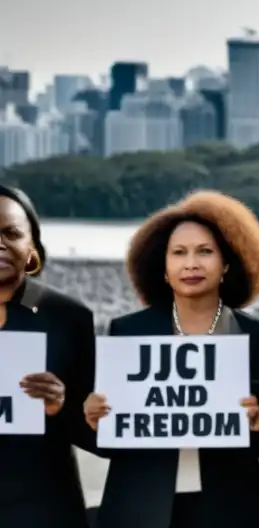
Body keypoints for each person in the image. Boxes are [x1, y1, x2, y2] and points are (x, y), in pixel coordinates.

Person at [83, 190, 259, 528]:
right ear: (163, 268)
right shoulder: (128, 332)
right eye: (178, 253)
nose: (191, 263)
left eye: (204, 252)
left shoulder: (258, 337)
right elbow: (109, 442)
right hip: (139, 504)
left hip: (231, 507)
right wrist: (93, 418)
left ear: (226, 263)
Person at [0, 184, 95, 528]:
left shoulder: (68, 317)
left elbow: (102, 435)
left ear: (32, 249)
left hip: (45, 508)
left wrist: (64, 406)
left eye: (11, 233)